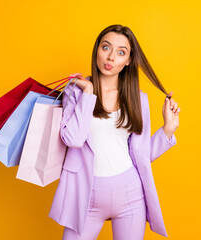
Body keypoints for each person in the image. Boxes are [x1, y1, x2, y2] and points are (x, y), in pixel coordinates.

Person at [49, 24, 180, 240]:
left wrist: (168, 129)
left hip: (129, 195)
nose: (110, 57)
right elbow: (73, 139)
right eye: (106, 48)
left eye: (121, 52)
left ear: (128, 60)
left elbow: (141, 154)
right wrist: (89, 94)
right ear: (97, 50)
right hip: (86, 195)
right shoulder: (76, 91)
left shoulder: (138, 99)